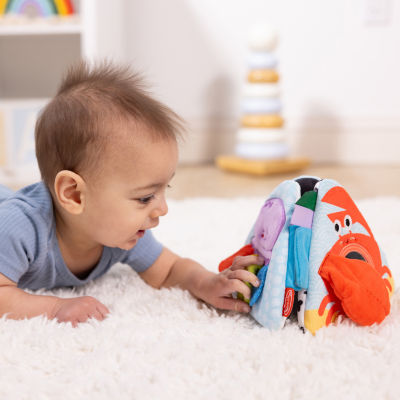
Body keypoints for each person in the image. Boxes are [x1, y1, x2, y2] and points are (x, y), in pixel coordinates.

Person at [0, 61, 263, 327]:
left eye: (165, 189)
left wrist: (207, 282)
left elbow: (168, 269)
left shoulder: (120, 234)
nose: (163, 209)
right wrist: (55, 307)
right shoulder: (18, 229)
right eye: (145, 198)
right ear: (75, 195)